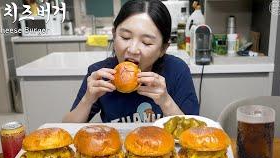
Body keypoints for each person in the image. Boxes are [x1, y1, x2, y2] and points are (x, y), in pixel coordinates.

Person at [63, 0, 199, 123]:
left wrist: (166, 101)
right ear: (114, 34)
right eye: (125, 37)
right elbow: (66, 130)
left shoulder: (177, 71)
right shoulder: (99, 74)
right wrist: (87, 100)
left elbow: (193, 133)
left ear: (163, 49)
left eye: (146, 43)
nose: (133, 49)